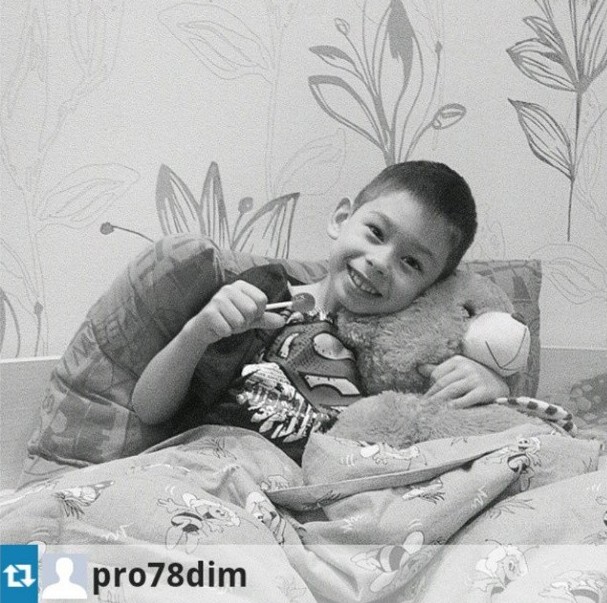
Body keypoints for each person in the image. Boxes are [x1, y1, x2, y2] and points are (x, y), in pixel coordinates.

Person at [132, 161, 509, 463]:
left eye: (411, 263)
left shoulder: (405, 351)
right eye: (376, 232)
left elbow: (440, 427)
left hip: (320, 500)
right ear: (341, 219)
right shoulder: (263, 296)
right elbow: (149, 409)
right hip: (218, 468)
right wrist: (196, 334)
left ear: (431, 288)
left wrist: (493, 385)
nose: (381, 262)